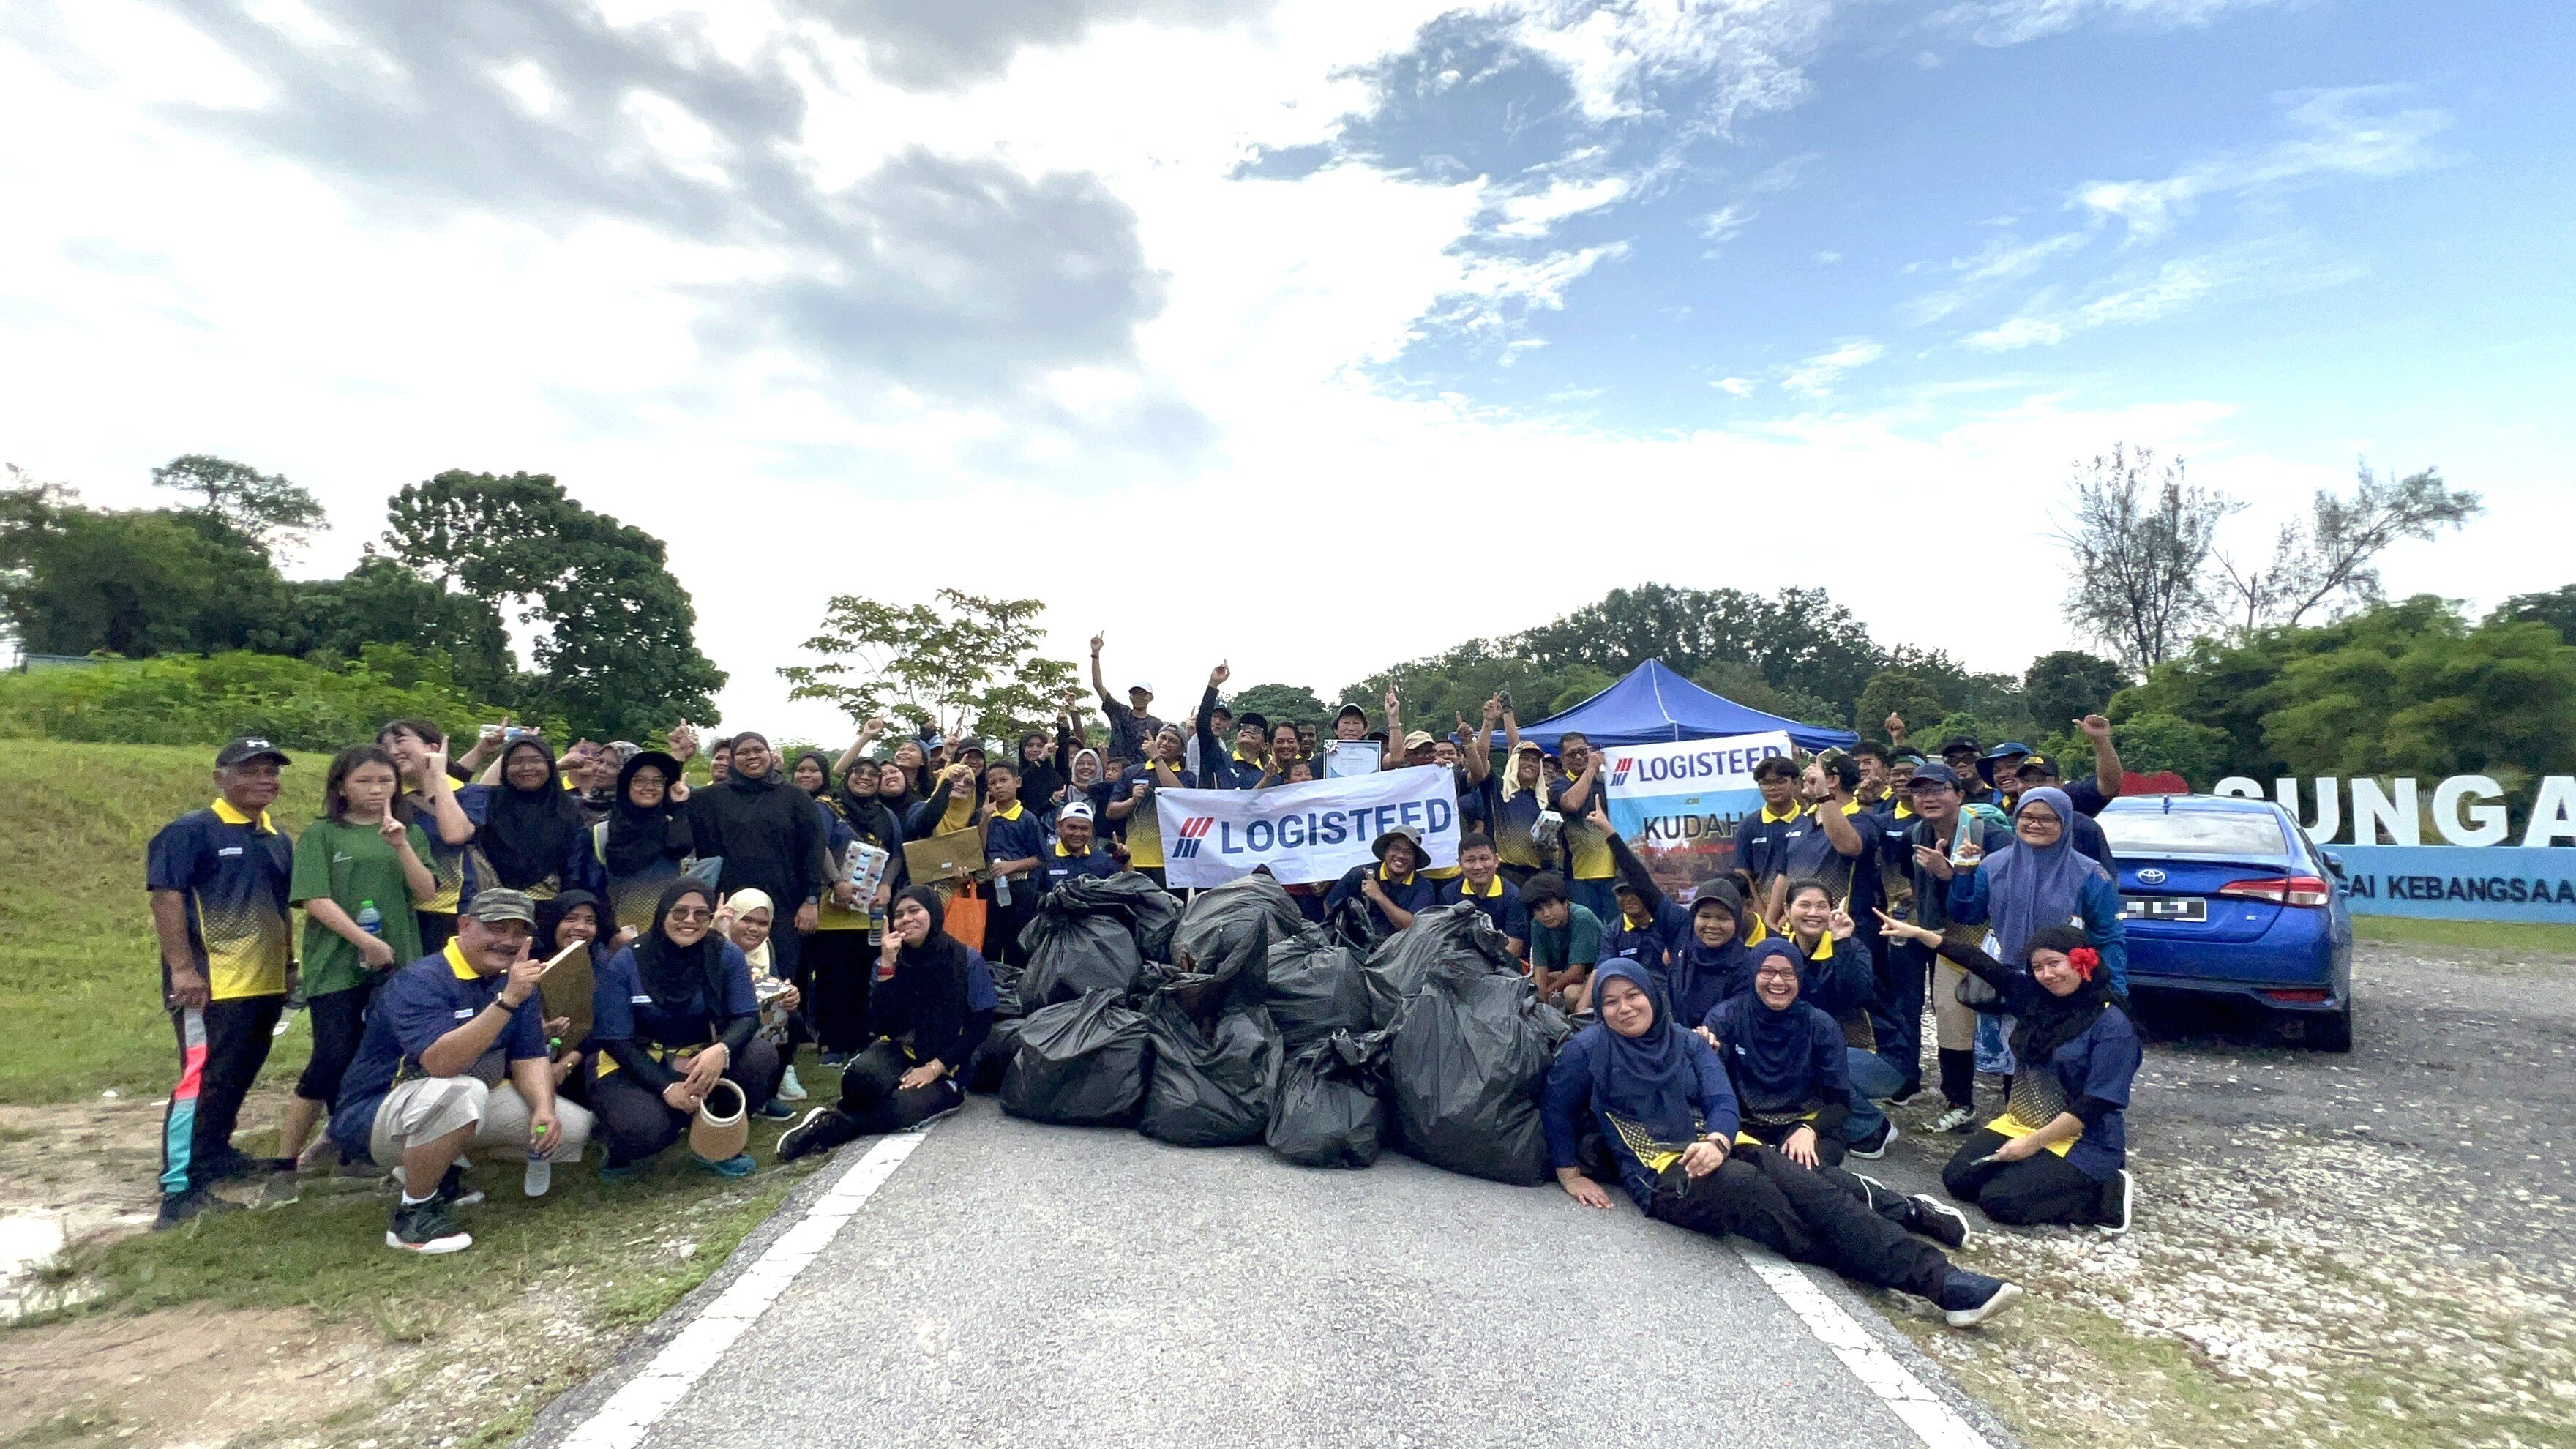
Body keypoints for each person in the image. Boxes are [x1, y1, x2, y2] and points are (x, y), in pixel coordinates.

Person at [1540, 960, 2018, 1328]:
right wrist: (1570, 1175)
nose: (1624, 1008)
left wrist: (1717, 1141)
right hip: (1662, 1173)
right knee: (1765, 1200)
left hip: (1726, 1144)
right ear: (1599, 1007)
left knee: (1817, 1192)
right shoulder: (1589, 1049)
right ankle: (1927, 1277)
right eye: (1611, 1002)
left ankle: (1945, 1281)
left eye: (1633, 995)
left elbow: (1721, 1098)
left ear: (1651, 995)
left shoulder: (1686, 1041)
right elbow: (1557, 1107)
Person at [328, 890, 594, 1253]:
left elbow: (529, 1057)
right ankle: (413, 1214)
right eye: (497, 929)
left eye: (519, 932)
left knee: (571, 1129)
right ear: (465, 925)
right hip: (375, 1113)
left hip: (453, 1102)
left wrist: (544, 1109)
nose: (508, 941)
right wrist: (507, 1001)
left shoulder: (514, 980)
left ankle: (442, 1169)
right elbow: (442, 1064)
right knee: (464, 1091)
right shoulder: (421, 979)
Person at [1877, 915, 2140, 1232]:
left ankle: (2106, 1194)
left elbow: (2097, 1102)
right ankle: (2038, 1175)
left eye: (2055, 963)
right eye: (2038, 967)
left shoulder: (2112, 1025)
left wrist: (2031, 1145)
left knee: (2001, 1201)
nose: (2047, 974)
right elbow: (1980, 963)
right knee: (1959, 1179)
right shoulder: (2034, 998)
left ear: (2082, 961)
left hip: (2085, 1138)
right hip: (2023, 1121)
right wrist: (1919, 933)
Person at [146, 738, 298, 1227]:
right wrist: (182, 969)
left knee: (237, 1074)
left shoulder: (277, 838)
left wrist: (289, 965)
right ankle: (178, 1191)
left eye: (271, 772)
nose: (264, 780)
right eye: (251, 771)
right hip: (210, 984)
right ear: (221, 778)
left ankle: (214, 1156)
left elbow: (282, 908)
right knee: (201, 1082)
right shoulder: (191, 831)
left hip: (264, 982)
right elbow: (166, 899)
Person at [275, 746, 438, 1177]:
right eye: (364, 781)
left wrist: (401, 846)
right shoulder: (322, 834)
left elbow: (426, 891)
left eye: (385, 781)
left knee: (384, 1058)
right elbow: (315, 898)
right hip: (335, 962)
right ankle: (285, 1159)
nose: (376, 789)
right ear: (342, 787)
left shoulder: (409, 832)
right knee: (333, 1055)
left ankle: (353, 1148)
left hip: (399, 960)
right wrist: (365, 941)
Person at [777, 887, 999, 1161]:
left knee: (900, 1110)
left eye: (915, 911)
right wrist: (887, 967)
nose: (906, 919)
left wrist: (934, 1068)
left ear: (934, 913)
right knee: (857, 1080)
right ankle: (859, 1110)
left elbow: (980, 1026)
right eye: (899, 914)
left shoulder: (967, 959)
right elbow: (882, 1025)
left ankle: (828, 1126)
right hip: (901, 1049)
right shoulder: (888, 960)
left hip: (950, 1064)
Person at [584, 881, 782, 1179]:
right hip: (634, 1062)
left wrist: (722, 1050)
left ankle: (715, 1142)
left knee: (759, 1055)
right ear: (663, 913)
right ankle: (620, 1143)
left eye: (701, 914)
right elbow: (615, 1040)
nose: (690, 920)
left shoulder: (724, 953)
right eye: (680, 912)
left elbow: (747, 1017)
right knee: (645, 1129)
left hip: (700, 1058)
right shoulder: (627, 961)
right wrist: (667, 1086)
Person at [1890, 761, 2014, 1132]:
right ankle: (1959, 1103)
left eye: (1937, 789)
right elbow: (1912, 884)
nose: (1927, 798)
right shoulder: (1914, 834)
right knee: (1951, 1022)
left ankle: (2016, 1109)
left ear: (1959, 794)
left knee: (2006, 1025)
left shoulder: (1993, 836)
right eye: (1919, 791)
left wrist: (1952, 873)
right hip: (1949, 942)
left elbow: (2007, 893)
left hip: (1996, 946)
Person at [683, 732, 829, 1003]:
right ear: (732, 759)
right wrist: (679, 762)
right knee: (727, 978)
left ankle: (780, 1030)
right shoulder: (710, 799)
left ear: (769, 754)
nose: (752, 756)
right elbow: (675, 816)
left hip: (784, 905)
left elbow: (814, 848)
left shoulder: (795, 797)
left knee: (782, 983)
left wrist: (811, 899)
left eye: (758, 750)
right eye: (743, 752)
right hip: (729, 906)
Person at [1947, 785, 2130, 997]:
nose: (2034, 825)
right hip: (2004, 981)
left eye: (2047, 819)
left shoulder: (2090, 874)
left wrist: (2115, 993)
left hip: (2064, 985)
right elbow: (1966, 915)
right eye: (2027, 817)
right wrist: (1963, 873)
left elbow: (2109, 938)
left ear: (2065, 822)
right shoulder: (1993, 866)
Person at [1765, 883, 1902, 1158]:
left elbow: (1856, 996)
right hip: (1827, 1052)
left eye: (1822, 906)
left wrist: (1841, 942)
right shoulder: (1782, 952)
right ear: (1787, 911)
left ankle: (1871, 1128)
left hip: (1879, 1057)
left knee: (1804, 1063)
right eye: (1804, 905)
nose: (1813, 913)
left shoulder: (1850, 947)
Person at [1699, 946, 1852, 1169]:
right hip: (1741, 1122)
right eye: (1767, 971)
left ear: (1799, 977)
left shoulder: (1820, 1025)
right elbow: (1707, 1091)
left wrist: (1811, 1129)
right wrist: (1703, 1054)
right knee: (1733, 1172)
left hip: (1801, 1123)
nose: (1778, 981)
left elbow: (1840, 1103)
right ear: (1753, 974)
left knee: (1805, 1170)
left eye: (1788, 973)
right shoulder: (1725, 1018)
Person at [809, 758, 903, 1064]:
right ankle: (834, 1044)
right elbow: (819, 845)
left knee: (866, 976)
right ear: (847, 776)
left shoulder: (886, 815)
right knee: (834, 976)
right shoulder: (828, 808)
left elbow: (896, 854)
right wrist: (836, 882)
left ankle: (863, 1040)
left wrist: (887, 885)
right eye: (858, 772)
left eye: (873, 775)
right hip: (833, 907)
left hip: (871, 909)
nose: (865, 778)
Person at [375, 720, 476, 949]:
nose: (392, 751)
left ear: (432, 748)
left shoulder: (470, 794)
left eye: (400, 741)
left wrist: (438, 775)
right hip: (401, 912)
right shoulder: (385, 800)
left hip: (458, 911)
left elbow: (455, 834)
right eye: (385, 747)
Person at [465, 737, 597, 905]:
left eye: (536, 761)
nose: (526, 768)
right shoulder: (486, 801)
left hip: (552, 908)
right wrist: (480, 751)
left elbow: (576, 868)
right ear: (505, 767)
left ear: (550, 765)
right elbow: (448, 785)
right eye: (517, 761)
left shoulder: (571, 809)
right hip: (490, 907)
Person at [714, 888, 806, 1112]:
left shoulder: (766, 948)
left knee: (792, 1018)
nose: (754, 929)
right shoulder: (712, 943)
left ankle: (766, 1095)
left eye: (762, 923)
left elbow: (773, 984)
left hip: (756, 1017)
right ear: (731, 918)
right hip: (719, 1021)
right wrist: (716, 934)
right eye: (746, 920)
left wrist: (789, 994)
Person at [596, 749, 694, 940]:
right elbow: (593, 890)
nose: (649, 787)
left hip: (666, 939)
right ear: (627, 784)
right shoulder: (603, 831)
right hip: (615, 940)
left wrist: (679, 806)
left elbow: (680, 847)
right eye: (640, 780)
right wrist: (613, 934)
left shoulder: (675, 828)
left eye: (658, 781)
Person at [1599, 806, 1691, 973]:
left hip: (1666, 987)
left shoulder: (1669, 919)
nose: (1629, 898)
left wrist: (1608, 831)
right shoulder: (1612, 932)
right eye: (1622, 893)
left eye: (1634, 892)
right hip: (1629, 987)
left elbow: (1636, 874)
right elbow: (1602, 970)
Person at [1105, 723, 1192, 887]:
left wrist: (1157, 758)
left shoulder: (1187, 776)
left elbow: (1180, 799)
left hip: (1173, 862)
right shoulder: (1132, 772)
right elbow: (1111, 812)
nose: (1165, 743)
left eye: (1173, 741)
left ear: (1181, 750)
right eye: (1162, 738)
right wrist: (1132, 800)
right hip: (1135, 859)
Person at [1545, 731, 1618, 921]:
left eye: (1582, 751)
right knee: (1588, 927)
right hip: (1579, 877)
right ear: (1563, 759)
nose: (1578, 757)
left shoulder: (1609, 779)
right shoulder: (1559, 784)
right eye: (1571, 754)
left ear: (1590, 750)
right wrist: (1591, 767)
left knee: (1616, 929)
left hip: (1616, 872)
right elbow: (1571, 804)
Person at [980, 761, 1047, 962]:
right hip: (988, 886)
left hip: (1019, 887)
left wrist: (1012, 866)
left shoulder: (1027, 818)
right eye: (993, 783)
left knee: (1017, 945)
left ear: (1017, 782)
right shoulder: (983, 815)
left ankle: (1016, 979)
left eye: (1003, 780)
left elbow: (1041, 858)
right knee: (989, 943)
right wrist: (984, 822)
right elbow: (977, 851)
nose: (998, 786)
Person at [1666, 880, 1754, 1032]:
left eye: (1722, 918)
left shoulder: (1747, 966)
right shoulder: (1681, 941)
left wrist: (1706, 1033)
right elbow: (1646, 890)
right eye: (1705, 916)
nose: (1712, 925)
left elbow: (1735, 1012)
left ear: (1737, 920)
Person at [1324, 826, 1438, 939]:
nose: (1401, 855)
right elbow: (1330, 904)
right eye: (1396, 848)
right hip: (1356, 945)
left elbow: (1411, 926)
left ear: (1415, 859)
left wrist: (1379, 896)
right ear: (1386, 851)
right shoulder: (1359, 874)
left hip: (1401, 947)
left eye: (1409, 852)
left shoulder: (1424, 887)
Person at [1731, 756, 1806, 917]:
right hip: (1762, 911)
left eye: (1780, 781)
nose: (1772, 788)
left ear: (1796, 782)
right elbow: (1743, 874)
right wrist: (1764, 916)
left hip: (1805, 910)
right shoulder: (1748, 825)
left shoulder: (1810, 820)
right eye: (1765, 783)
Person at [1435, 831, 1527, 956]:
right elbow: (1443, 941)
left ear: (1496, 861)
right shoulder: (1448, 894)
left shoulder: (1513, 896)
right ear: (1460, 864)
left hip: (1500, 963)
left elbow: (1514, 949)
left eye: (1484, 859)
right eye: (1470, 860)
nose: (1478, 867)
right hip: (1459, 961)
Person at [1523, 872, 1601, 1011]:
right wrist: (1541, 996)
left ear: (1565, 903)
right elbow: (1540, 968)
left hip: (1599, 975)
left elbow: (1577, 972)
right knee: (1530, 985)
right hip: (1569, 972)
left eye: (1550, 906)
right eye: (1539, 909)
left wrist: (1549, 990)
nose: (1546, 914)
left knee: (1571, 993)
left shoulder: (1582, 918)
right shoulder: (1537, 924)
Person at [1089, 633, 1166, 765]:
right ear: (1130, 696)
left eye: (1143, 694)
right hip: (1116, 770)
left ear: (1151, 698)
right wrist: (1095, 654)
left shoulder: (1157, 724)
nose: (1139, 697)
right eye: (1135, 693)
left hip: (1143, 772)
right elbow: (1098, 685)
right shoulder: (1119, 712)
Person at [1192, 664, 1268, 790]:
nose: (1249, 730)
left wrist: (1268, 779)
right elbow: (1203, 728)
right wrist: (1213, 685)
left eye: (1257, 730)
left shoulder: (1270, 777)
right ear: (1235, 739)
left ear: (1265, 745)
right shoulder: (1218, 757)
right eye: (1244, 727)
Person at [1040, 799, 1121, 891]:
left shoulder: (1104, 861)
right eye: (1072, 827)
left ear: (1091, 830)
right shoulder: (1043, 859)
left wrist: (1125, 860)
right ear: (1060, 826)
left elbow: (1124, 890)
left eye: (1084, 829)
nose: (1078, 834)